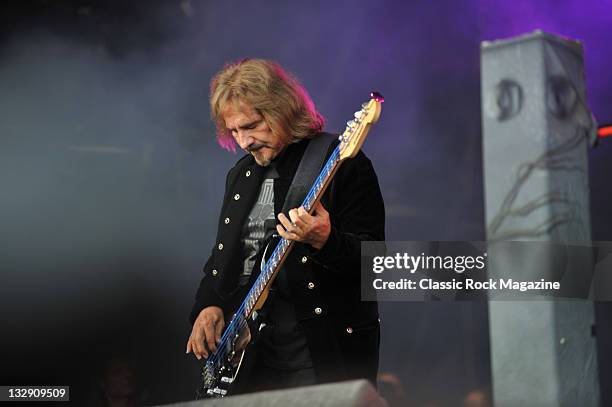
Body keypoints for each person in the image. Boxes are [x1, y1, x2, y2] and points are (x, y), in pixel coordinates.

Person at [186, 58, 385, 393]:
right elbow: (225, 258)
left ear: (281, 110)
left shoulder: (340, 162)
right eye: (234, 131)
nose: (244, 141)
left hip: (316, 346)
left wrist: (327, 240)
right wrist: (208, 304)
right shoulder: (241, 175)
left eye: (250, 126)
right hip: (250, 352)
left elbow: (378, 262)